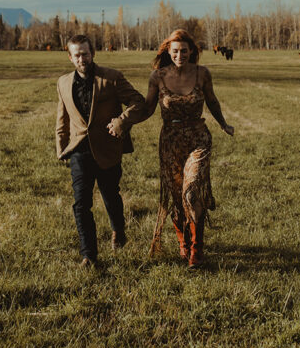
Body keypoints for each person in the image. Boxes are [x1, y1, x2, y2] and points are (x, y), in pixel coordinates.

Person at [143, 29, 234, 269]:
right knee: (176, 196)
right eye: (175, 51)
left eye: (184, 50)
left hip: (198, 138)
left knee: (191, 191)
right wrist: (122, 120)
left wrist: (223, 123)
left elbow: (212, 100)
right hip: (170, 141)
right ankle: (183, 240)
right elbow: (147, 109)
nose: (180, 55)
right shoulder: (158, 76)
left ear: (192, 51)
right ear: (168, 52)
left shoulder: (202, 73)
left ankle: (197, 250)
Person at [56, 34, 147, 267]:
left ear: (93, 53)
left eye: (85, 53)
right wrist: (61, 147)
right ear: (70, 57)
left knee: (110, 196)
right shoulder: (63, 83)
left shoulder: (111, 78)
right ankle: (89, 255)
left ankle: (118, 230)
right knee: (81, 203)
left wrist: (121, 121)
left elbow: (138, 102)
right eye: (76, 55)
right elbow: (62, 117)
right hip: (79, 150)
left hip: (108, 149)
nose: (81, 59)